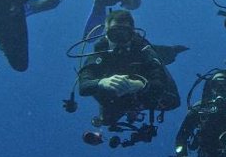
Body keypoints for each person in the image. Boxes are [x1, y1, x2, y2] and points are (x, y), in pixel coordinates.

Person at [75, 10, 182, 148]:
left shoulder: (144, 50)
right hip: (114, 99)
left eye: (124, 34)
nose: (119, 41)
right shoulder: (100, 53)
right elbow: (83, 86)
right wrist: (102, 82)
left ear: (132, 35)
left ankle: (170, 52)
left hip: (144, 95)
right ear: (106, 35)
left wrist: (141, 85)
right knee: (107, 119)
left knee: (172, 100)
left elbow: (161, 82)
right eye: (114, 34)